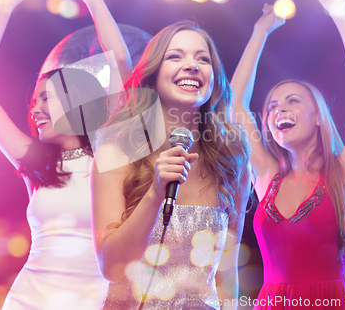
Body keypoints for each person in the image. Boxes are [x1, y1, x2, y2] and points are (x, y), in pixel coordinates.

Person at [0, 0, 132, 310]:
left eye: (46, 99)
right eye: (33, 101)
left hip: (94, 301)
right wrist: (4, 6)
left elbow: (121, 65)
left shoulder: (110, 155)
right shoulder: (38, 164)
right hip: (28, 300)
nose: (35, 110)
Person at [230, 0, 345, 309]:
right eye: (272, 107)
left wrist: (340, 13)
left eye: (293, 101)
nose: (279, 110)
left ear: (319, 117)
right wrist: (259, 33)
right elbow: (235, 102)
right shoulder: (268, 178)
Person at [91, 21, 252, 309]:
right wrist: (155, 193)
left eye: (203, 59)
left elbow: (226, 274)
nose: (192, 65)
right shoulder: (115, 152)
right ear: (152, 76)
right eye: (175, 56)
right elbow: (112, 268)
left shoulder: (233, 157)